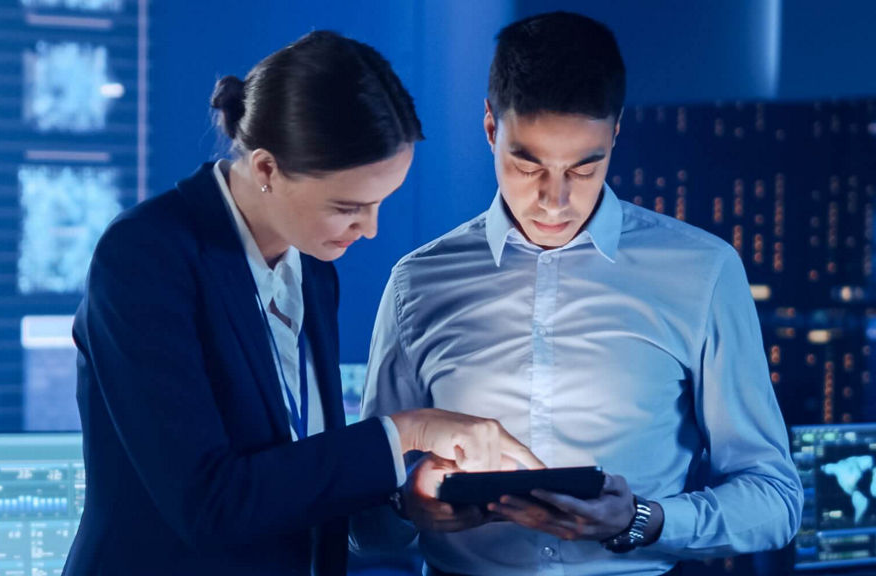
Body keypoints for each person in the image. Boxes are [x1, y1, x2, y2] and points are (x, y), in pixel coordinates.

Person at [66, 30, 542, 575]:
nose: (369, 229)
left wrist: (409, 497)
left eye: (380, 203)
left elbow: (299, 470)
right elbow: (208, 504)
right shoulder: (146, 256)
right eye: (348, 207)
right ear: (267, 168)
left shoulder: (311, 267)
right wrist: (406, 430)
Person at [351, 11, 803, 575]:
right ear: (490, 129)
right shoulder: (417, 284)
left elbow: (776, 500)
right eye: (527, 163)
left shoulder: (703, 272)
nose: (554, 200)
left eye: (584, 168)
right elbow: (365, 524)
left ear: (616, 134)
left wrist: (642, 519)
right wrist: (405, 504)